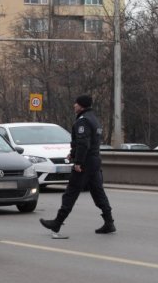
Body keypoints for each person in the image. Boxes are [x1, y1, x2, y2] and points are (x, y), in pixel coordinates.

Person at [39, 95, 116, 235]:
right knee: (98, 193)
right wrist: (73, 154)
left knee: (71, 192)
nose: (74, 105)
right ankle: (109, 222)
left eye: (76, 103)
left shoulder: (83, 121)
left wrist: (78, 162)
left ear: (81, 105)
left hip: (85, 163)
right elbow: (89, 142)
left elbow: (83, 143)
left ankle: (56, 223)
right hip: (94, 161)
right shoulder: (94, 119)